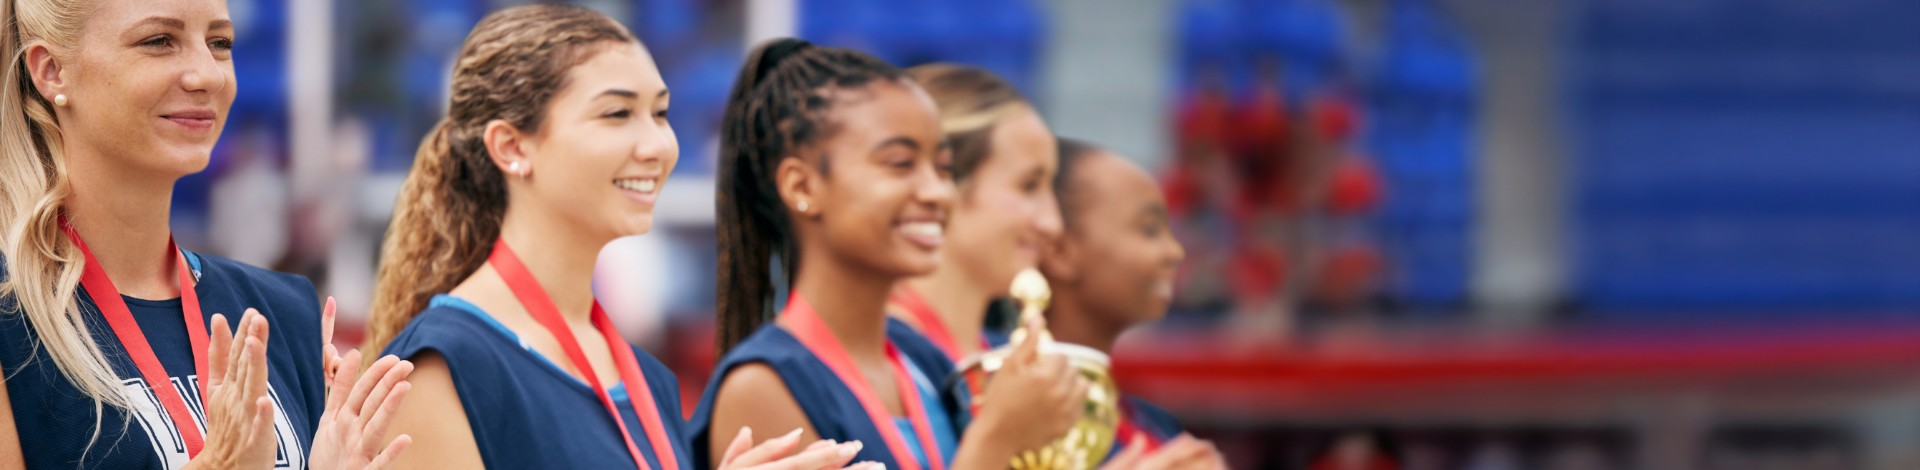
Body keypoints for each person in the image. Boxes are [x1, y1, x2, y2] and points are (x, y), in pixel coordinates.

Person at [361, 6, 874, 470]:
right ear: (511, 146)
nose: (658, 145)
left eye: (661, 113)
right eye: (617, 114)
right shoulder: (441, 365)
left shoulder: (647, 379)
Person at [0, 0, 412, 468]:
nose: (208, 75)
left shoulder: (282, 311)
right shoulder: (12, 323)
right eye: (159, 41)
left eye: (220, 43)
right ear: (51, 71)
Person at [692, 38, 1088, 470]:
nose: (937, 192)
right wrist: (997, 440)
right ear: (802, 186)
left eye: (942, 168)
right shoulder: (762, 386)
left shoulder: (921, 361)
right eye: (900, 163)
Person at [1038, 138, 1229, 469]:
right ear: (1060, 251)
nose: (1174, 253)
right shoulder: (1011, 417)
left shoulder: (1155, 424)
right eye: (1149, 230)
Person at [884, 64, 1062, 362]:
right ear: (945, 179)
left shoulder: (1005, 356)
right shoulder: (883, 357)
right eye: (1028, 186)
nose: (1052, 224)